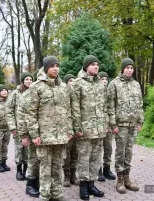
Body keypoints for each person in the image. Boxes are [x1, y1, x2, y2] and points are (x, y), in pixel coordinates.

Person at [26, 56, 72, 201]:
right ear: (46, 68)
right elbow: (31, 112)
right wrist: (34, 134)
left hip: (60, 137)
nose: (56, 68)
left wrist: (69, 130)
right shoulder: (36, 87)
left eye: (57, 65)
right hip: (44, 136)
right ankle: (45, 195)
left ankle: (57, 194)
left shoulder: (63, 87)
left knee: (58, 166)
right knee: (45, 168)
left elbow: (67, 110)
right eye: (52, 66)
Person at [71, 55, 107, 200]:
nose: (96, 67)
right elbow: (74, 108)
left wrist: (105, 125)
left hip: (99, 129)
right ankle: (83, 186)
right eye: (93, 64)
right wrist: (77, 127)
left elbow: (104, 106)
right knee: (84, 159)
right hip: (85, 129)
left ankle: (92, 184)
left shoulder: (100, 84)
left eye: (97, 64)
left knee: (96, 158)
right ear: (86, 67)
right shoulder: (78, 84)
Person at [107, 58, 144, 194]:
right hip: (120, 125)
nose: (129, 70)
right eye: (127, 68)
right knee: (120, 152)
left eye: (131, 68)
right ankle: (120, 179)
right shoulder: (114, 84)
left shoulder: (136, 84)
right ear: (122, 69)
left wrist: (140, 121)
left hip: (133, 125)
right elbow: (110, 106)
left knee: (129, 152)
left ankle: (127, 178)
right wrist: (113, 124)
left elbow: (140, 104)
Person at [6, 72, 33, 181]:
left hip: (30, 127)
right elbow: (9, 111)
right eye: (26, 79)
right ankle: (19, 170)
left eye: (30, 79)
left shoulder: (33, 92)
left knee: (28, 150)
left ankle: (26, 170)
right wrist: (12, 126)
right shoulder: (15, 94)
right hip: (18, 127)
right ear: (22, 81)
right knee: (19, 149)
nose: (29, 81)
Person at [17, 69, 40, 197]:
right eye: (27, 79)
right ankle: (30, 184)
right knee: (32, 159)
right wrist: (24, 135)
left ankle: (38, 182)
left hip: (41, 133)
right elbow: (20, 117)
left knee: (41, 160)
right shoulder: (24, 95)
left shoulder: (38, 92)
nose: (30, 82)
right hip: (31, 133)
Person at [97, 71, 116, 181]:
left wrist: (112, 124)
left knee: (108, 148)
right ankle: (98, 170)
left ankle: (107, 169)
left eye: (106, 79)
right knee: (98, 149)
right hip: (99, 126)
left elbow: (112, 109)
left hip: (108, 125)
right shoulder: (96, 92)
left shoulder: (110, 93)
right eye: (102, 79)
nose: (104, 81)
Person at [62, 74, 79, 187]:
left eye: (74, 80)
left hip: (77, 129)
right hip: (66, 129)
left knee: (75, 153)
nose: (72, 82)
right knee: (66, 154)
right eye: (70, 81)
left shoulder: (77, 94)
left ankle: (73, 175)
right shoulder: (63, 94)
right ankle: (66, 176)